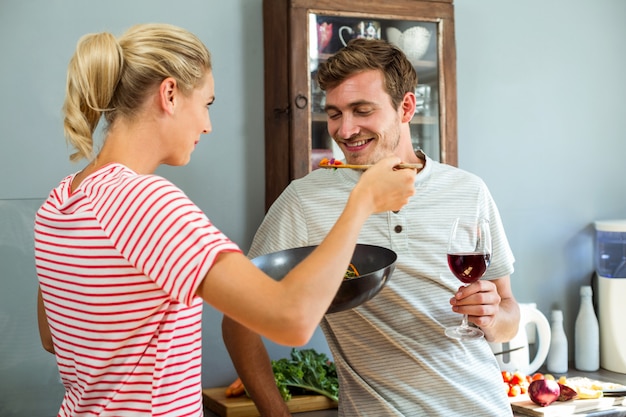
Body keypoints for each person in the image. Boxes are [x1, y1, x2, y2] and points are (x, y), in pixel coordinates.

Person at [34, 25, 416, 417]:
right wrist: (363, 201)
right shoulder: (148, 203)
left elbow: (53, 337)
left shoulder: (62, 199)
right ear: (169, 95)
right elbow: (293, 320)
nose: (207, 125)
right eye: (207, 104)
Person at [222, 38, 520, 416]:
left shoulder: (469, 190)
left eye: (362, 110)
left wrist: (494, 317)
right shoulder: (304, 200)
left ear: (406, 107)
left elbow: (509, 310)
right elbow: (238, 321)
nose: (345, 131)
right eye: (334, 113)